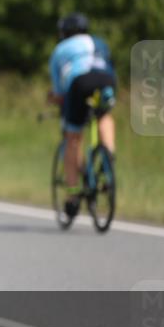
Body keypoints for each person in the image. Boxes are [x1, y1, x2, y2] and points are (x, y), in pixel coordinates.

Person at [47, 13, 117, 219]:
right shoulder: (100, 42)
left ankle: (72, 196)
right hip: (107, 80)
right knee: (103, 115)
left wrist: (52, 99)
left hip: (80, 83)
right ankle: (108, 155)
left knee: (73, 138)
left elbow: (60, 93)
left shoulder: (60, 50)